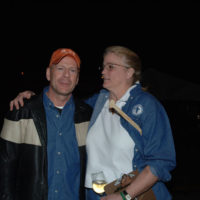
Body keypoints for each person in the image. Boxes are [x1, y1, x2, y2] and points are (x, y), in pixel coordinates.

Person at [8, 46, 176, 200]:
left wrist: (125, 195)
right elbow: (62, 102)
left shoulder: (147, 106)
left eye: (110, 67)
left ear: (129, 72)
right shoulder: (98, 102)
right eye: (103, 66)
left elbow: (161, 162)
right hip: (94, 194)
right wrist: (32, 99)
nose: (103, 71)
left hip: (130, 194)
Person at [0, 48, 93, 200]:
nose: (66, 75)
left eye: (72, 70)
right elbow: (5, 170)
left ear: (77, 79)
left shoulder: (88, 116)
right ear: (48, 73)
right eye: (60, 68)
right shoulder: (21, 112)